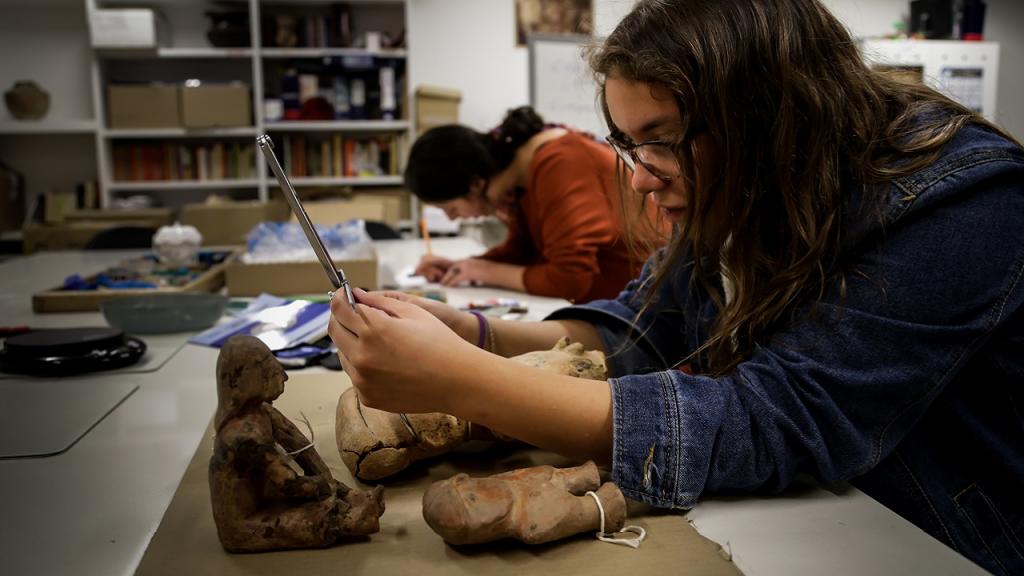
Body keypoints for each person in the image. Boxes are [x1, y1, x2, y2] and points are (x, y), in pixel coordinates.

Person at [330, 0, 1023, 573]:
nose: (638, 177)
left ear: (771, 115)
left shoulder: (966, 205)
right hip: (818, 519)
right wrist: (477, 334)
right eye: (628, 142)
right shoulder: (742, 179)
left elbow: (776, 419)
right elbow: (646, 324)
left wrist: (464, 382)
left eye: (661, 139)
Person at [405, 106, 657, 303]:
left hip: (644, 304)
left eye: (450, 209)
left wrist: (483, 270)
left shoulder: (559, 163)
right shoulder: (520, 176)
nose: (452, 219)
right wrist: (462, 267)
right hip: (615, 299)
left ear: (475, 184)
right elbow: (522, 251)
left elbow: (570, 279)